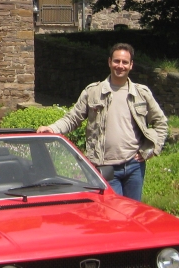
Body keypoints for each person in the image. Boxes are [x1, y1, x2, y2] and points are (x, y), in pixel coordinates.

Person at [36, 43, 168, 200]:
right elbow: (72, 118)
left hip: (134, 166)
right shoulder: (93, 92)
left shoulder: (141, 93)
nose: (120, 66)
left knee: (133, 214)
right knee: (113, 214)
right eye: (116, 61)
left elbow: (161, 123)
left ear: (131, 65)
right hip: (105, 167)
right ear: (109, 62)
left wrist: (151, 150)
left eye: (125, 62)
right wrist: (52, 128)